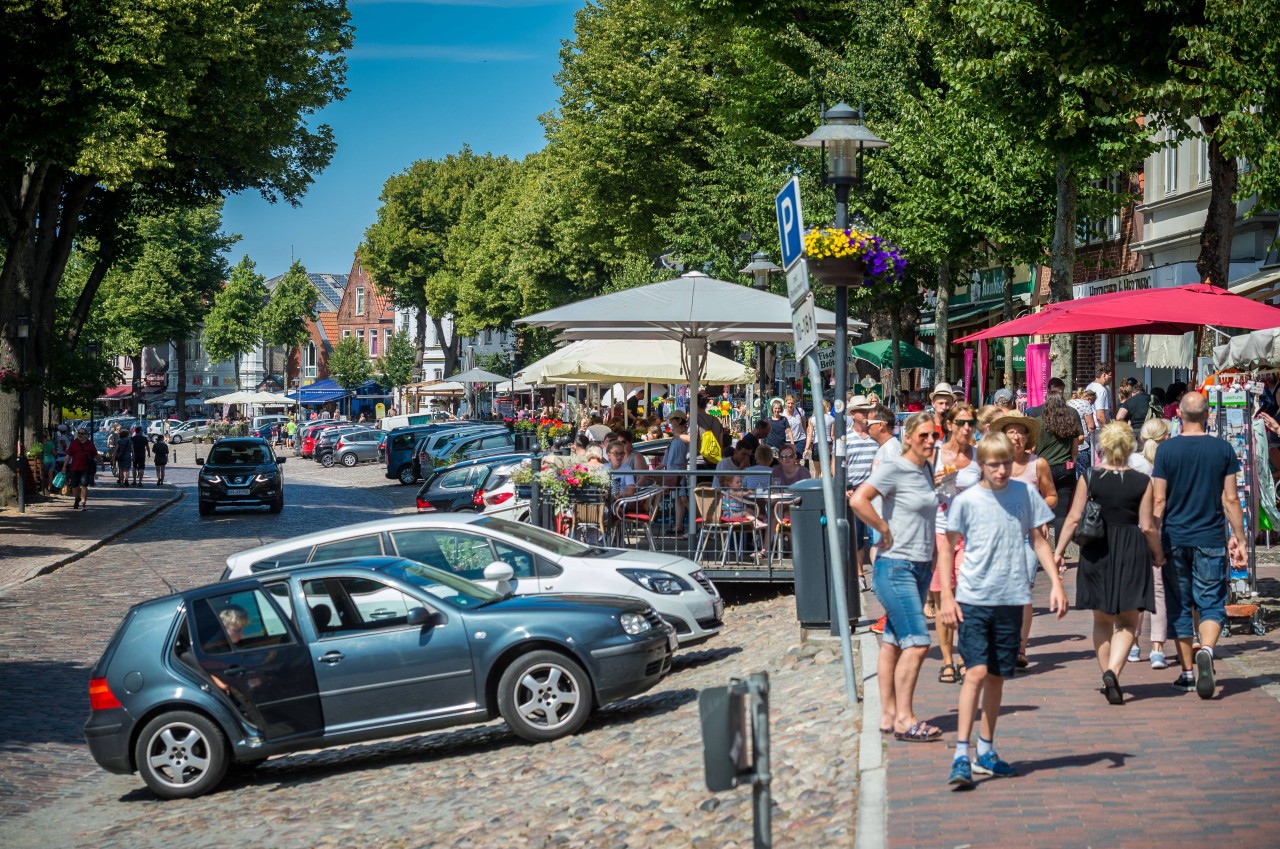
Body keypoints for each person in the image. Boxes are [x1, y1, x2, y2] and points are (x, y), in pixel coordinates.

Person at [938, 432, 1067, 788]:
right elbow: (947, 548)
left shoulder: (1024, 494)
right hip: (975, 597)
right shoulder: (967, 501)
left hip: (1012, 598)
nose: (1001, 471)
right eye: (994, 465)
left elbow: (1039, 539)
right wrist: (947, 596)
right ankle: (961, 754)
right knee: (976, 672)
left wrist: (1055, 583)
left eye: (1006, 464)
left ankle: (987, 750)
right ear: (981, 465)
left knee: (996, 675)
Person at [849, 412, 941, 743]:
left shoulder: (927, 468)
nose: (930, 441)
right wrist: (883, 528)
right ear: (910, 437)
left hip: (920, 566)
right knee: (918, 642)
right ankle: (905, 718)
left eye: (934, 435)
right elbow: (859, 500)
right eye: (924, 436)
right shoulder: (895, 467)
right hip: (895, 566)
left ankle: (888, 714)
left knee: (892, 641)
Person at [1054, 423, 1160, 705]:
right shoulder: (1142, 482)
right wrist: (1158, 553)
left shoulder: (1089, 477)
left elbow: (1074, 517)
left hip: (1097, 549)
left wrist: (1059, 551)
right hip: (1131, 550)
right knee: (1127, 620)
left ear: (1103, 447)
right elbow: (1148, 526)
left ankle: (1107, 673)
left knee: (1101, 619)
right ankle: (1114, 671)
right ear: (1130, 447)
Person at [1151, 391, 1248, 699]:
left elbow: (1158, 499)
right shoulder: (1223, 449)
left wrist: (1153, 538)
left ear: (1178, 414)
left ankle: (1187, 672)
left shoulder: (1165, 452)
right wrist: (1240, 538)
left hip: (1175, 538)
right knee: (1211, 601)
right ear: (1208, 415)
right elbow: (1230, 499)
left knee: (1179, 606)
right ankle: (1205, 648)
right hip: (1210, 537)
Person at [994, 410, 1056, 667]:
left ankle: (1020, 647)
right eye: (1011, 432)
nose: (1016, 437)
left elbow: (1051, 495)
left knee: (1023, 592)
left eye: (1021, 432)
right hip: (998, 539)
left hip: (1028, 538)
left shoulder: (1037, 464)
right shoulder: (994, 465)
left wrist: (1039, 513)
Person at [931, 403, 981, 685]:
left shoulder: (977, 456)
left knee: (965, 597)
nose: (966, 428)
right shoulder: (938, 454)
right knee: (942, 600)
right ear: (949, 424)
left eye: (970, 423)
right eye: (961, 423)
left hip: (971, 536)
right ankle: (947, 660)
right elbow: (927, 495)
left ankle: (964, 656)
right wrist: (936, 485)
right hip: (941, 532)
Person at [1034, 391, 1083, 541]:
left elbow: (1033, 447)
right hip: (1065, 467)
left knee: (1041, 510)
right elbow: (1075, 449)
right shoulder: (1069, 422)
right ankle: (1061, 554)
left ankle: (1043, 549)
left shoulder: (1037, 422)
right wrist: (1071, 462)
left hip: (1043, 468)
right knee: (1061, 512)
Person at [659, 413, 691, 538]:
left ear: (678, 421)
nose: (670, 423)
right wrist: (660, 467)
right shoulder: (675, 437)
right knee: (678, 499)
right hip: (674, 472)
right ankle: (678, 526)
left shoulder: (685, 433)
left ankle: (696, 525)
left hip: (681, 472)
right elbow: (668, 457)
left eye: (671, 420)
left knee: (684, 499)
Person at [63, 427, 99, 510]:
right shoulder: (74, 443)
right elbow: (68, 455)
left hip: (86, 468)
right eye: (79, 433)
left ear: (86, 435)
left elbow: (95, 454)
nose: (80, 435)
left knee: (84, 486)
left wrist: (102, 463)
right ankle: (77, 498)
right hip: (75, 467)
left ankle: (83, 503)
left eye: (82, 433)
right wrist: (64, 466)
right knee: (74, 486)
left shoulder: (90, 444)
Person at [1068, 387, 1098, 473]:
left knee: (1072, 469)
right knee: (1084, 472)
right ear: (1089, 399)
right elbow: (1091, 426)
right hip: (1082, 444)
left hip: (1069, 444)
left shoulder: (1069, 401)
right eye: (1092, 403)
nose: (1091, 405)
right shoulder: (1086, 403)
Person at [805, 399, 835, 476]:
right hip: (828, 444)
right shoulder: (831, 418)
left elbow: (810, 435)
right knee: (827, 471)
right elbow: (832, 435)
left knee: (817, 471)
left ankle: (817, 485)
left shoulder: (812, 419)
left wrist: (807, 448)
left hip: (817, 444)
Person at [782, 395, 807, 461]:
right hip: (787, 440)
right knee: (788, 460)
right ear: (785, 403)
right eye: (788, 403)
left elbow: (804, 422)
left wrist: (805, 432)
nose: (790, 405)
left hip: (800, 439)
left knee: (797, 460)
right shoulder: (782, 414)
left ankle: (796, 471)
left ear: (795, 404)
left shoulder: (799, 411)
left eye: (792, 403)